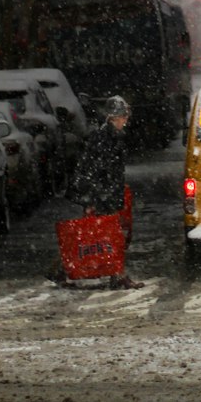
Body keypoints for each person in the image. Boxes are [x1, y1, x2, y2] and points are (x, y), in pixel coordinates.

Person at [68, 95, 143, 290]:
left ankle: (116, 274)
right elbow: (95, 170)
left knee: (100, 236)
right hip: (103, 196)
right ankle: (117, 275)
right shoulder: (105, 138)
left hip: (105, 194)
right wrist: (92, 199)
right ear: (114, 117)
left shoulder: (108, 136)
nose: (126, 120)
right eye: (123, 116)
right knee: (109, 237)